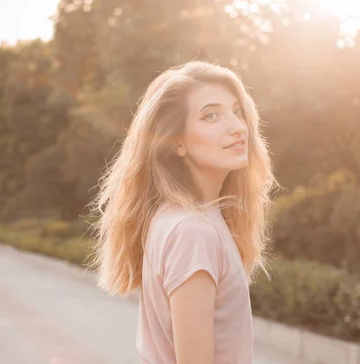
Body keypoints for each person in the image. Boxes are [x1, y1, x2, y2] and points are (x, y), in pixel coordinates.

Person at [89, 61, 278, 364]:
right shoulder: (193, 231)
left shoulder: (177, 217)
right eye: (211, 115)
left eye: (237, 111)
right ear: (176, 142)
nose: (237, 126)